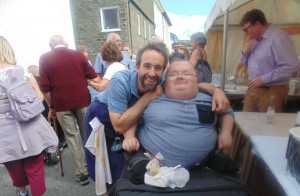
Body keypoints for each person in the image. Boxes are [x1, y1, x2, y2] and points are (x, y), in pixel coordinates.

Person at [91, 43, 229, 189]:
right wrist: (149, 96)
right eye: (147, 66)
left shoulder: (160, 80)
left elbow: (192, 83)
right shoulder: (120, 81)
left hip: (128, 118)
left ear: (163, 71)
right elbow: (119, 126)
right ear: (136, 66)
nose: (152, 73)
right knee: (104, 168)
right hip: (104, 117)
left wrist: (216, 91)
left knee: (118, 166)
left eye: (158, 68)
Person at [121, 60, 234, 184]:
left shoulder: (211, 99)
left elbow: (226, 111)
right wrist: (129, 137)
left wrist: (226, 132)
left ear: (196, 79)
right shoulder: (151, 99)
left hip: (202, 168)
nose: (180, 76)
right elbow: (132, 117)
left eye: (186, 73)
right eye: (173, 74)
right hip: (153, 166)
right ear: (165, 80)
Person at [39, 34, 100, 186]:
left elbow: (46, 90)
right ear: (65, 43)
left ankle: (82, 173)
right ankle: (97, 167)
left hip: (61, 104)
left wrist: (51, 106)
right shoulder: (78, 55)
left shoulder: (45, 59)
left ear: (50, 45)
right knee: (88, 133)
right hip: (82, 100)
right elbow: (94, 77)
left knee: (72, 137)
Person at [0, 36, 58, 196]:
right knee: (35, 168)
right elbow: (39, 97)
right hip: (31, 127)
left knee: (13, 164)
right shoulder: (23, 72)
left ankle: (22, 191)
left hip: (4, 131)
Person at [84, 42, 127, 183]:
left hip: (102, 109)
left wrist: (89, 82)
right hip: (115, 109)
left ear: (105, 57)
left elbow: (102, 87)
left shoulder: (113, 67)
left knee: (100, 151)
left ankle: (104, 181)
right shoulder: (123, 66)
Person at [239, 9, 298, 112]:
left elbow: (290, 66)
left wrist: (263, 79)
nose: (245, 32)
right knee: (246, 122)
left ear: (257, 24)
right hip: (254, 88)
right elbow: (245, 64)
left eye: (246, 29)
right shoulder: (254, 39)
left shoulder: (278, 37)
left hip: (272, 89)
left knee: (266, 125)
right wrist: (244, 52)